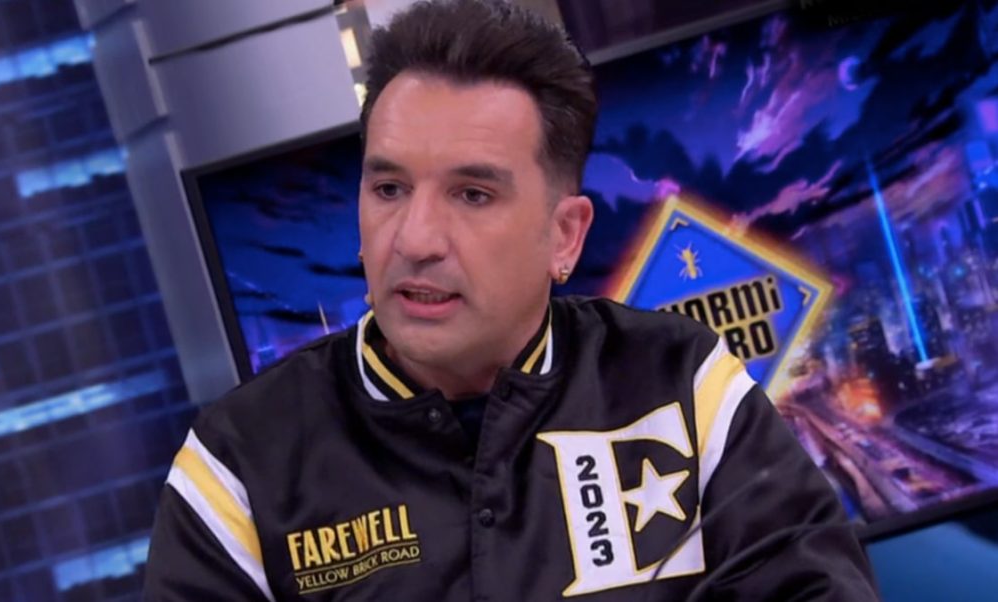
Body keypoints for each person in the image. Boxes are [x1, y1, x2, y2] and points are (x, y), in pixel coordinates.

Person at [144, 1, 879, 600]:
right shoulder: (240, 462)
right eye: (389, 188)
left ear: (565, 235)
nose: (415, 238)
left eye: (472, 194)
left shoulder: (681, 384)